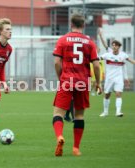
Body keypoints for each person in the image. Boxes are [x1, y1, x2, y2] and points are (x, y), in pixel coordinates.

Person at [52, 14, 102, 157]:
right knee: (79, 115)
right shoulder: (89, 42)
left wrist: (60, 77)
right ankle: (76, 148)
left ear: (70, 24)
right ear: (83, 25)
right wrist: (98, 83)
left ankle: (60, 136)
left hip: (67, 80)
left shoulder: (63, 40)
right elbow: (97, 65)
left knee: (58, 114)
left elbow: (56, 62)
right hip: (83, 81)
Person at [98, 40, 135, 117]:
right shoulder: (107, 55)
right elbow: (98, 58)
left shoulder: (123, 55)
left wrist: (126, 78)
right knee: (107, 95)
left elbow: (131, 61)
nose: (114, 47)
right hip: (109, 78)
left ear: (119, 47)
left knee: (118, 93)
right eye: (113, 45)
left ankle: (118, 112)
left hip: (118, 78)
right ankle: (105, 112)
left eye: (115, 45)